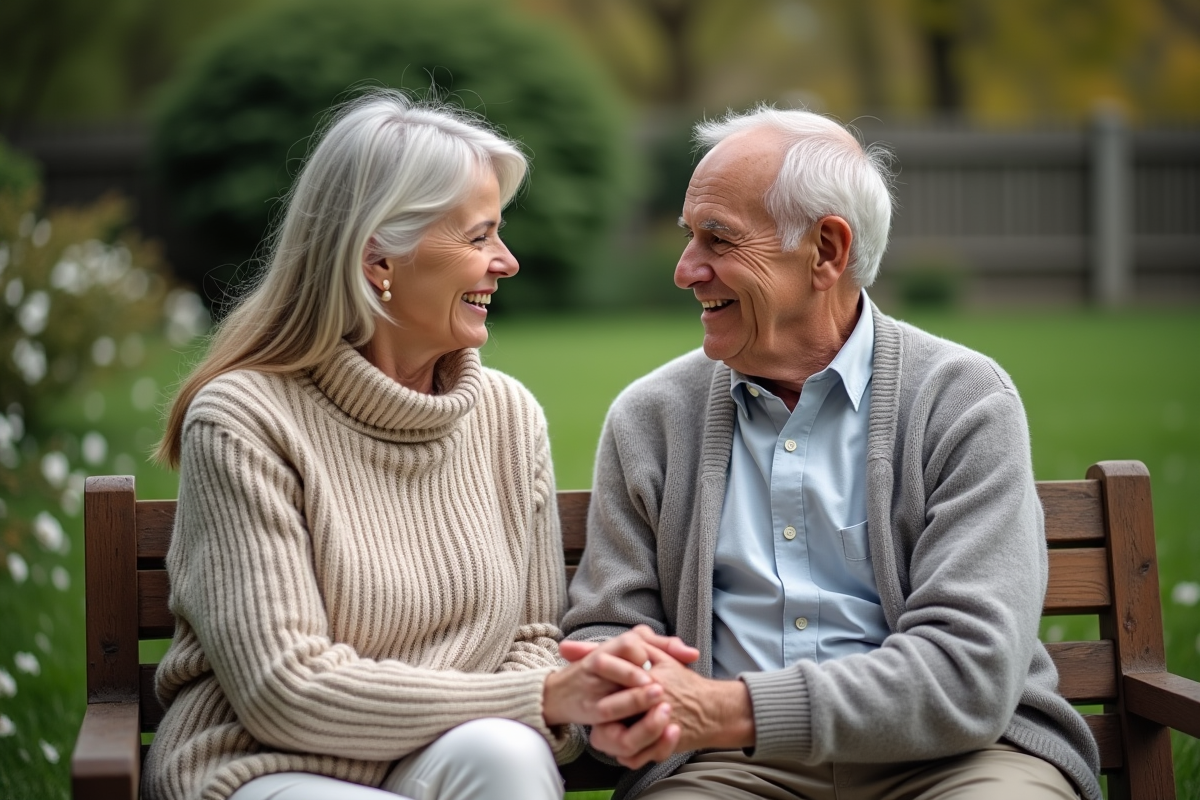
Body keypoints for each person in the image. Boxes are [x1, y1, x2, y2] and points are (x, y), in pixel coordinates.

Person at [561, 105, 1102, 800]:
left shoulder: (964, 400)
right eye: (688, 237)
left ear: (826, 251)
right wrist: (621, 675)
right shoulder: (651, 418)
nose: (686, 270)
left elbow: (970, 672)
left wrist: (728, 708)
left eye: (718, 240)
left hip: (958, 758)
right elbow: (610, 624)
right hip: (727, 769)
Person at [144, 90, 672, 800]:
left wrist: (556, 695)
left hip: (440, 760)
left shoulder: (508, 418)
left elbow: (532, 643)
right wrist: (543, 697)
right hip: (266, 769)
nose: (506, 261)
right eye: (480, 236)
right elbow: (286, 689)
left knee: (508, 756)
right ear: (377, 261)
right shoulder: (244, 420)